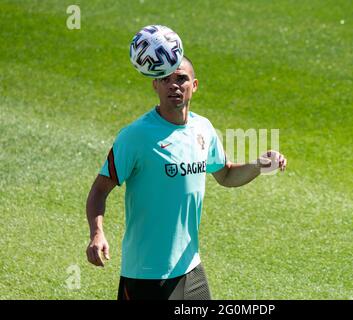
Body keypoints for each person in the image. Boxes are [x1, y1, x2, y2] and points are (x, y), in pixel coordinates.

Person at [86, 56, 287, 300]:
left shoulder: (203, 128)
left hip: (191, 268)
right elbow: (99, 190)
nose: (174, 85)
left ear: (194, 85)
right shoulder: (135, 136)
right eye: (165, 79)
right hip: (147, 274)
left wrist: (260, 165)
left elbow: (227, 174)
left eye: (181, 78)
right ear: (155, 85)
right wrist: (97, 233)